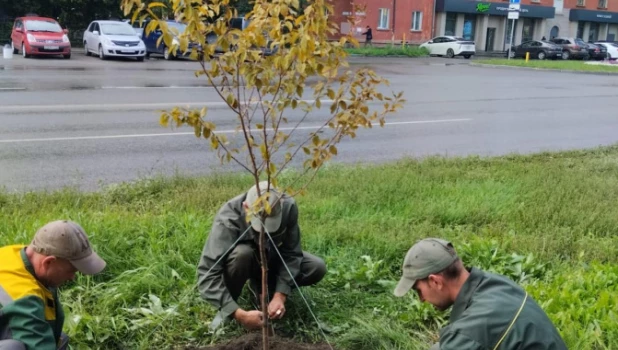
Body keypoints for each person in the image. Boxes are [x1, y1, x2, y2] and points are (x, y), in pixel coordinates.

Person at [394, 238, 567, 350]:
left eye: (418, 290)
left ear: (436, 281)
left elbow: (466, 337)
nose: (422, 299)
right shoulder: (495, 283)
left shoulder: (469, 331)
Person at [197, 181, 327, 330]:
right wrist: (239, 314)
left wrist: (280, 294)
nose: (265, 230)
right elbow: (207, 273)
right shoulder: (228, 218)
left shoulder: (288, 206)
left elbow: (292, 253)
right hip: (244, 262)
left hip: (270, 257)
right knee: (242, 255)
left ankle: (268, 291)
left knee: (316, 267)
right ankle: (227, 309)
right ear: (247, 207)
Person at [0, 220, 107, 350]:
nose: (72, 277)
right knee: (13, 348)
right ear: (49, 262)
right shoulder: (24, 297)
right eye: (71, 271)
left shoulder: (12, 254)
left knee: (60, 339)